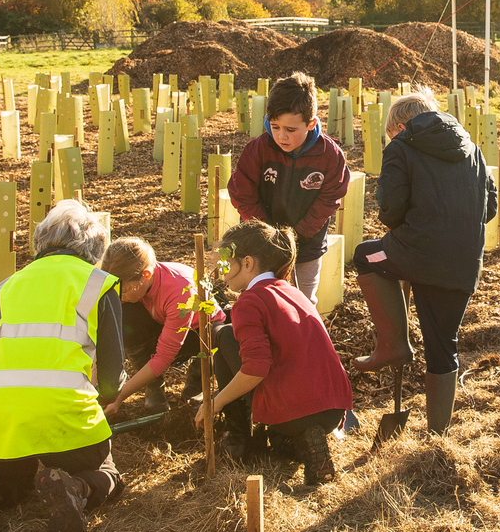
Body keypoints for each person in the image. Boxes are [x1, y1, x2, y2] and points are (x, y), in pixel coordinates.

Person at [0, 200, 125, 532]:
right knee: (108, 474)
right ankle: (75, 487)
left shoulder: (6, 287)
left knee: (16, 477)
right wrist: (104, 399)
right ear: (95, 246)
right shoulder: (96, 283)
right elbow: (110, 381)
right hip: (61, 413)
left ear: (42, 241)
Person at [348, 90, 497, 433]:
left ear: (401, 126)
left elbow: (391, 209)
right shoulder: (472, 150)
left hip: (413, 252)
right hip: (462, 262)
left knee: (365, 256)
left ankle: (392, 345)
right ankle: (438, 434)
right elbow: (489, 209)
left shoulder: (401, 146)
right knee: (443, 344)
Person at [199, 221, 354, 485]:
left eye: (225, 263)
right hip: (333, 410)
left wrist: (215, 402)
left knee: (223, 334)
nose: (220, 273)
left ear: (247, 263)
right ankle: (301, 443)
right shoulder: (293, 292)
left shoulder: (249, 301)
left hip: (292, 410)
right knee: (279, 443)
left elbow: (256, 367)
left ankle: (239, 439)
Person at [228, 72, 350, 303]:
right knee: (258, 300)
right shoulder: (258, 149)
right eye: (275, 127)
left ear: (311, 123)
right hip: (260, 245)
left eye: (291, 130)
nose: (281, 136)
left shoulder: (330, 155)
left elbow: (330, 199)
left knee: (302, 302)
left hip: (306, 245)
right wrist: (267, 234)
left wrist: (299, 234)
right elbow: (242, 192)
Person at [99, 237, 224, 415]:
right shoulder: (138, 282)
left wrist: (118, 397)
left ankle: (197, 374)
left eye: (124, 290)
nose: (120, 296)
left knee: (214, 337)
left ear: (146, 275)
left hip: (197, 332)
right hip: (160, 320)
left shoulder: (179, 293)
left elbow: (162, 358)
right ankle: (153, 386)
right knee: (125, 317)